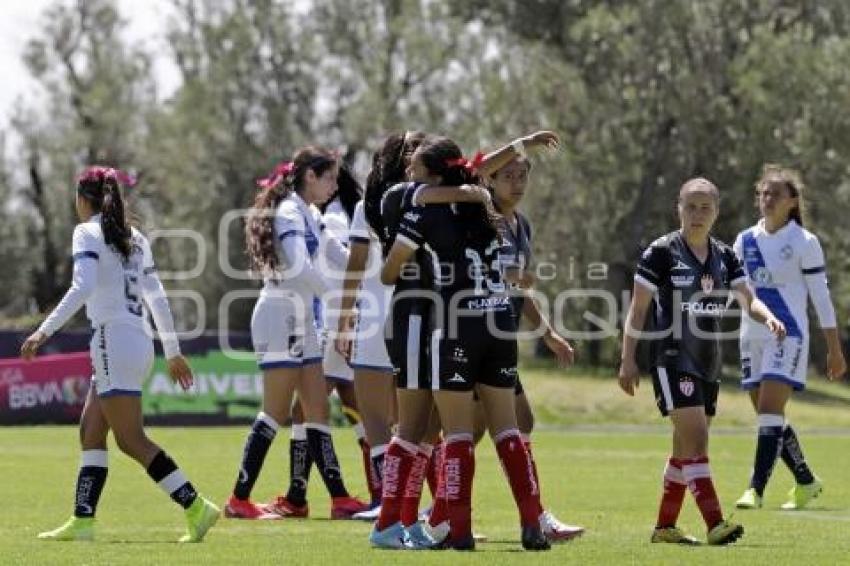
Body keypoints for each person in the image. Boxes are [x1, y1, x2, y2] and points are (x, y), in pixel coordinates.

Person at [21, 166, 219, 543]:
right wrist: (172, 351)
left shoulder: (86, 232)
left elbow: (83, 287)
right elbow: (156, 296)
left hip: (112, 339)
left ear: (82, 199)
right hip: (137, 340)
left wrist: (43, 331)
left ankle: (195, 506)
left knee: (130, 439)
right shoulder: (135, 237)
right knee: (91, 430)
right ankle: (83, 521)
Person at [378, 136, 551, 551]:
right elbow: (509, 271)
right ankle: (532, 524)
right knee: (508, 430)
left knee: (455, 436)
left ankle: (459, 531)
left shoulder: (421, 210)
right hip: (499, 324)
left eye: (416, 167)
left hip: (456, 324)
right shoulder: (488, 207)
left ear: (433, 172)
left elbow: (388, 274)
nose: (409, 173)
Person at [618, 177, 786, 545]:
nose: (697, 214)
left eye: (705, 207)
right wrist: (627, 358)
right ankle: (714, 523)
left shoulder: (726, 256)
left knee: (687, 447)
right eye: (690, 206)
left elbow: (748, 297)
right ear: (678, 208)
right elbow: (638, 309)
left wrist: (767, 316)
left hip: (708, 361)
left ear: (717, 212)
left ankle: (664, 527)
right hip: (671, 357)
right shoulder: (660, 253)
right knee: (696, 436)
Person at [224, 147, 368, 520]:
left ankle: (339, 498)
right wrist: (341, 299)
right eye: (330, 178)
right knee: (274, 411)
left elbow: (339, 253)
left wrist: (375, 265)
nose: (335, 185)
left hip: (302, 318)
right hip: (281, 315)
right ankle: (239, 499)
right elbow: (299, 268)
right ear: (310, 177)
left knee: (317, 410)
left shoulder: (310, 212)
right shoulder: (289, 210)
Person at [467, 154, 584, 542]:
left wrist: (548, 333)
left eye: (523, 176)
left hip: (500, 339)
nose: (517, 183)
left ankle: (442, 513)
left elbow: (519, 290)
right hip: (474, 336)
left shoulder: (522, 224)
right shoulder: (481, 219)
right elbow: (475, 273)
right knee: (465, 430)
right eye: (509, 176)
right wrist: (508, 275)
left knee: (494, 426)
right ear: (491, 180)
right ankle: (528, 517)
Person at [733, 164, 846, 510]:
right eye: (763, 193)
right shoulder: (744, 240)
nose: (767, 199)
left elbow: (821, 297)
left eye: (775, 194)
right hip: (751, 335)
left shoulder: (804, 242)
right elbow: (740, 292)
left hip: (789, 336)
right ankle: (807, 482)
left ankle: (756, 488)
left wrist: (834, 349)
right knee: (771, 417)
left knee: (769, 410)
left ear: (792, 202)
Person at [272, 165, 375, 517]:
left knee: (307, 410)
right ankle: (372, 491)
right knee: (353, 403)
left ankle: (301, 497)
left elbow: (332, 267)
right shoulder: (350, 211)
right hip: (350, 315)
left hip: (334, 319)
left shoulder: (329, 216)